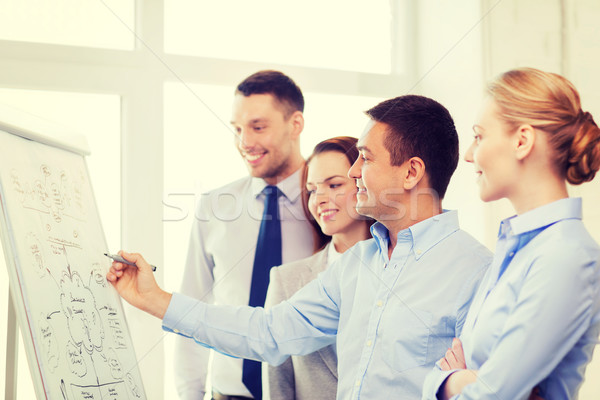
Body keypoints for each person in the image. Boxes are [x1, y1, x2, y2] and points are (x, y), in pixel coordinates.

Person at [107, 94, 493, 399]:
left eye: (366, 158)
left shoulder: (478, 272)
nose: (354, 170)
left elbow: (487, 388)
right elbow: (269, 332)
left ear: (411, 172)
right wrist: (154, 299)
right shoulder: (359, 263)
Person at [422, 67, 600, 400]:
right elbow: (449, 375)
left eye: (479, 136)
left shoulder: (566, 257)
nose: (469, 155)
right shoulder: (518, 247)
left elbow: (488, 394)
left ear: (522, 141)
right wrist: (456, 380)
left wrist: (453, 381)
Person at [174, 70, 316, 400]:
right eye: (237, 129)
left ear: (295, 125)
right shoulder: (213, 208)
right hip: (227, 394)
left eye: (258, 127)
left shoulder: (331, 210)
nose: (244, 142)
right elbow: (192, 311)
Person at [263, 136, 373, 400]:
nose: (319, 199)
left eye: (334, 185)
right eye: (312, 190)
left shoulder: (398, 270)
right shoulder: (287, 280)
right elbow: (278, 383)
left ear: (364, 183)